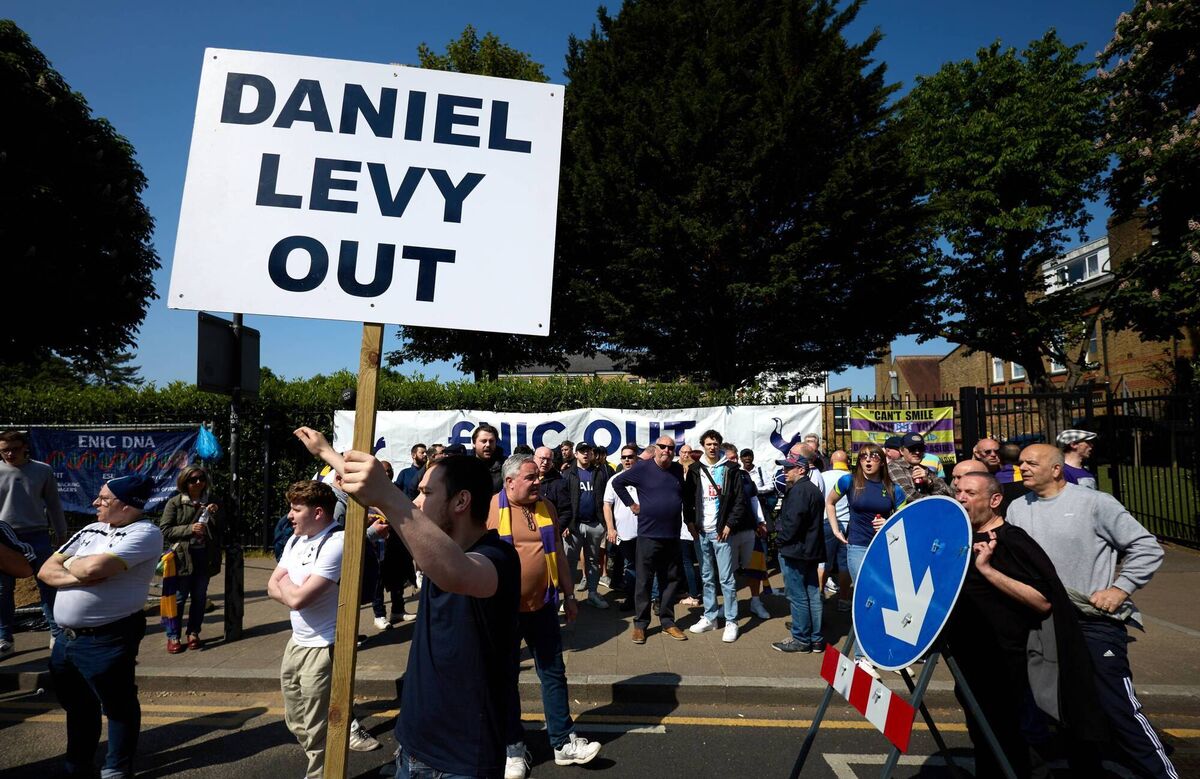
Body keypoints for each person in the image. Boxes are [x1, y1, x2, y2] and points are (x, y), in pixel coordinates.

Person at [332, 435, 526, 778]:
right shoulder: (435, 545)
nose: (417, 502)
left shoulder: (498, 557)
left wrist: (389, 493)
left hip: (460, 762)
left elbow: (458, 572)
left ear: (461, 501)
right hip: (410, 747)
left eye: (427, 493)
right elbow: (389, 509)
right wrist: (326, 453)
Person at [1008, 443, 1177, 779]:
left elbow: (1146, 547)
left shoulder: (1095, 503)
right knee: (1065, 708)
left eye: (1031, 462)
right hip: (1046, 623)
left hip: (1092, 622)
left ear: (1056, 469)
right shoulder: (1016, 508)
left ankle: (1162, 774)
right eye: (1021, 462)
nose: (1023, 468)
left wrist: (1120, 588)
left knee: (1116, 708)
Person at [946, 472, 1106, 779]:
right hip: (969, 657)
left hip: (1005, 661)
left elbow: (1043, 600)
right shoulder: (963, 539)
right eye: (958, 491)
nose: (961, 498)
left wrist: (989, 571)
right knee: (982, 734)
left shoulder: (1011, 540)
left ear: (994, 501)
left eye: (970, 492)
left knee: (1009, 737)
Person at [39, 474, 161, 779]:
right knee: (78, 707)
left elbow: (93, 566)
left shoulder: (145, 532)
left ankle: (116, 768)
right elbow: (44, 570)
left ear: (126, 505)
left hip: (108, 637)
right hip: (66, 639)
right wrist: (79, 573)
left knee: (117, 707)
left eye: (104, 498)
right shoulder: (91, 528)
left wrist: (76, 566)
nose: (96, 503)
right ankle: (78, 763)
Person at [488, 455, 602, 778]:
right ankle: (514, 748)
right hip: (504, 613)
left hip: (544, 608)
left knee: (553, 674)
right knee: (506, 679)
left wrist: (569, 595)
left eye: (537, 476)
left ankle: (564, 742)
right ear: (509, 482)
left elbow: (559, 559)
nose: (537, 481)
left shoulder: (547, 508)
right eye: (530, 477)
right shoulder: (489, 511)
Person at [268, 476, 379, 778]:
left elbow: (299, 598)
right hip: (297, 642)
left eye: (296, 509)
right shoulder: (296, 540)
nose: (289, 516)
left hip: (324, 646)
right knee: (295, 720)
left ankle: (322, 773)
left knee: (317, 724)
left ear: (318, 512)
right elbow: (270, 586)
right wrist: (291, 592)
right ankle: (331, 753)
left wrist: (288, 588)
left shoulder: (336, 542)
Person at [825, 443, 906, 671]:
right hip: (858, 547)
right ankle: (861, 656)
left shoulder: (894, 489)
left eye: (873, 457)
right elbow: (829, 502)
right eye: (863, 457)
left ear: (882, 461)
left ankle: (886, 651)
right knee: (866, 598)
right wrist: (836, 529)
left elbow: (904, 519)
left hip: (884, 549)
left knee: (885, 598)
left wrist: (888, 523)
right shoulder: (849, 481)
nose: (868, 461)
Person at [610, 435, 690, 644]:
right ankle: (640, 625)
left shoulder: (676, 470)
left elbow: (683, 496)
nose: (666, 450)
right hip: (648, 535)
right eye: (662, 446)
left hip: (672, 535)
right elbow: (618, 483)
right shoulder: (642, 468)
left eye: (671, 448)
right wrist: (631, 504)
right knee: (644, 581)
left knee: (670, 581)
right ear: (655, 449)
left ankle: (667, 621)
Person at [1, 429, 68, 654]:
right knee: (2, 589)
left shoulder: (42, 470)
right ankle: (4, 639)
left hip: (37, 534)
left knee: (48, 584)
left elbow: (54, 504)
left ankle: (57, 632)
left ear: (25, 448)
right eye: (4, 451)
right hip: (4, 538)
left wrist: (61, 534)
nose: (9, 454)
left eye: (14, 449)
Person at [685, 430, 755, 642]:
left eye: (715, 444)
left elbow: (739, 501)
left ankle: (732, 620)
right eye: (708, 444)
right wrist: (689, 523)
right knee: (706, 576)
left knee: (726, 578)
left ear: (720, 445)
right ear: (703, 446)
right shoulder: (696, 469)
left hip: (721, 533)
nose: (712, 447)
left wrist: (729, 524)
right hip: (701, 531)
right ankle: (710, 617)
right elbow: (687, 498)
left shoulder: (731, 469)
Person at [158, 465, 222, 653]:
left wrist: (215, 514)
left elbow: (222, 529)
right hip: (181, 558)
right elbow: (165, 530)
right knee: (178, 598)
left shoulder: (213, 501)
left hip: (204, 556)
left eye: (201, 478)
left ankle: (193, 632)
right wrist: (189, 529)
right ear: (184, 482)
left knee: (199, 598)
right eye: (193, 479)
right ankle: (173, 636)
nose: (198, 483)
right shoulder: (175, 503)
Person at [772, 455, 826, 653]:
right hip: (809, 550)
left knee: (799, 596)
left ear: (801, 470)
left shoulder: (799, 491)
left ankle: (802, 638)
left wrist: (779, 541)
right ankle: (815, 638)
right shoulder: (810, 489)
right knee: (812, 594)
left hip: (796, 551)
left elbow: (793, 524)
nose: (784, 472)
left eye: (788, 468)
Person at [563, 442, 610, 609]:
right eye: (582, 451)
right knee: (569, 562)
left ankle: (592, 593)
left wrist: (604, 524)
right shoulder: (568, 474)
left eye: (588, 451)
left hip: (595, 525)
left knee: (593, 561)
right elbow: (564, 502)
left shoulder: (599, 473)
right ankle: (568, 597)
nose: (585, 454)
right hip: (574, 526)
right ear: (576, 454)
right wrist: (566, 524)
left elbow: (605, 498)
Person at [817, 450, 852, 612]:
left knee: (824, 562)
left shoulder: (823, 476)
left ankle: (819, 596)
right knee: (844, 564)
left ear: (831, 461)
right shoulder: (853, 477)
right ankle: (844, 600)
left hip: (826, 523)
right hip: (847, 524)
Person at [887, 432, 953, 502]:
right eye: (912, 448)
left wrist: (929, 481)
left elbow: (949, 493)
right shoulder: (894, 467)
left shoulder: (925, 469)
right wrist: (935, 498)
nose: (917, 452)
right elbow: (909, 495)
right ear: (902, 451)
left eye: (921, 448)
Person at [474, 424, 504, 493]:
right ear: (474, 443)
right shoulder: (465, 469)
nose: (488, 445)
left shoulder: (505, 468)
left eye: (491, 441)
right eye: (484, 441)